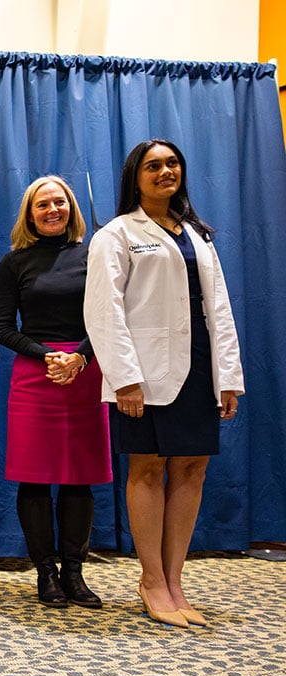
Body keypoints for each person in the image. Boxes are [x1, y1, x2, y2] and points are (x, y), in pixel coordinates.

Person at [84, 139, 243, 628]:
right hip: (144, 370)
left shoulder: (198, 234)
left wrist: (228, 377)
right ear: (136, 176)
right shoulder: (115, 234)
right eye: (153, 165)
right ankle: (151, 579)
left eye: (172, 163)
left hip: (199, 365)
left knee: (192, 468)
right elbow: (103, 311)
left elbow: (219, 308)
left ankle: (174, 581)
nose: (165, 171)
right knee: (148, 468)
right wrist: (125, 377)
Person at [0, 176, 111, 609]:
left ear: (71, 208)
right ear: (30, 214)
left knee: (80, 477)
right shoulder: (13, 263)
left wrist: (79, 357)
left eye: (59, 202)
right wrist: (48, 356)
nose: (52, 210)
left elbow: (109, 318)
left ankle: (75, 574)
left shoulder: (94, 256)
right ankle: (46, 573)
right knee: (35, 477)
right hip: (34, 375)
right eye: (42, 205)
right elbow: (4, 328)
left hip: (86, 370)